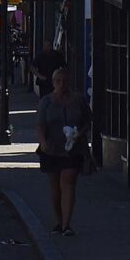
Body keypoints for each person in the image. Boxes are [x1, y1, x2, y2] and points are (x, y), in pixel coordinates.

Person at [35, 66, 89, 236]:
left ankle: (67, 224)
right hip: (52, 148)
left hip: (73, 149)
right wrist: (43, 142)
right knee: (55, 187)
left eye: (64, 81)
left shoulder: (78, 100)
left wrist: (79, 134)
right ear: (53, 83)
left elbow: (88, 120)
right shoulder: (46, 102)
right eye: (58, 81)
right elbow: (40, 125)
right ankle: (58, 221)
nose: (61, 84)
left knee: (68, 180)